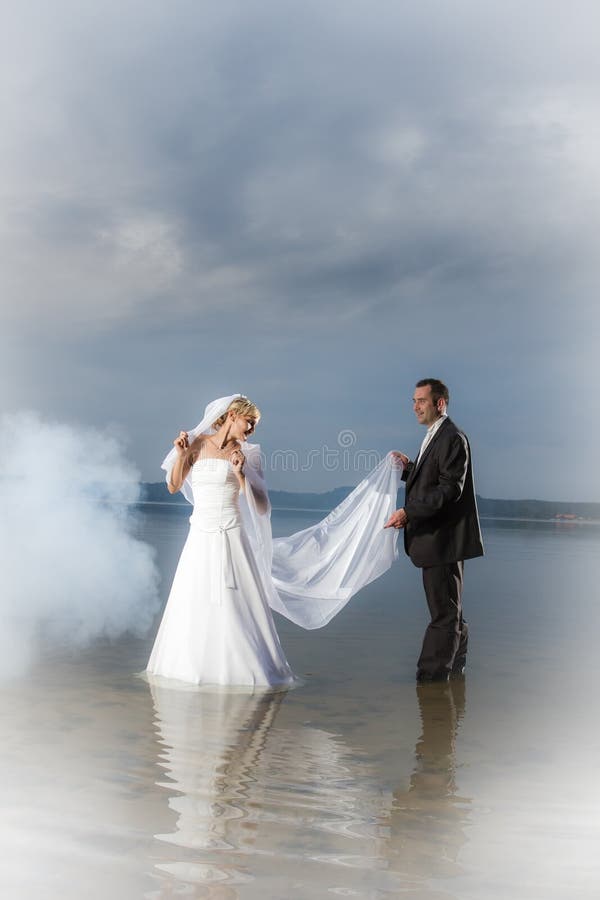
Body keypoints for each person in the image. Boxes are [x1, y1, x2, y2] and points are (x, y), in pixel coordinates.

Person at [147, 394, 402, 689]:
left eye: (255, 425)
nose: (252, 430)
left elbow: (262, 507)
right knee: (193, 599)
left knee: (236, 606)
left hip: (231, 535)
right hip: (199, 537)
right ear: (232, 415)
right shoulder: (196, 444)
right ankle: (187, 667)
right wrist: (180, 454)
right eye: (249, 422)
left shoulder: (249, 454)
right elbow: (173, 485)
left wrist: (241, 474)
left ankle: (242, 670)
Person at [384, 379, 484, 683]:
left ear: (440, 403)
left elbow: (449, 490)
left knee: (444, 615)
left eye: (421, 401)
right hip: (438, 541)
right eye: (413, 401)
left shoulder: (453, 437)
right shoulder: (436, 435)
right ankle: (454, 675)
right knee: (451, 612)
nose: (415, 406)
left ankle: (430, 679)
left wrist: (408, 512)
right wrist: (408, 469)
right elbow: (434, 478)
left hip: (443, 540)